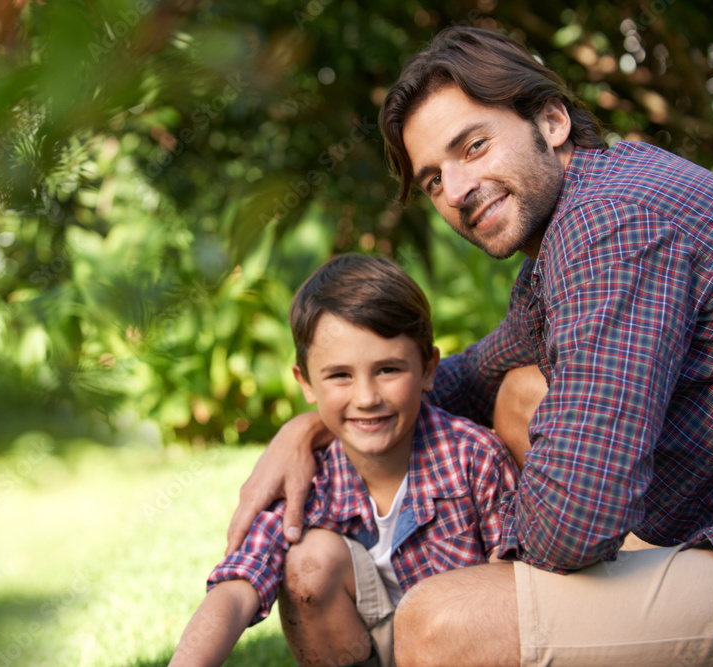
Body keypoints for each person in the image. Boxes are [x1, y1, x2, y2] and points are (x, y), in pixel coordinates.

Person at [227, 26, 713, 666]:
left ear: (552, 121)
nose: (459, 189)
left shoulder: (612, 223)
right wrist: (311, 428)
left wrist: (479, 548)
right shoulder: (575, 227)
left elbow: (574, 523)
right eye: (434, 180)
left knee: (442, 622)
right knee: (518, 393)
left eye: (473, 146)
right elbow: (469, 377)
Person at [170, 254, 518, 667]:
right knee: (308, 560)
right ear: (306, 383)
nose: (367, 398)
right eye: (340, 375)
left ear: (429, 370)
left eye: (388, 369)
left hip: (462, 645)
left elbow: (513, 597)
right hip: (371, 644)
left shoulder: (475, 458)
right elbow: (237, 586)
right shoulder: (305, 477)